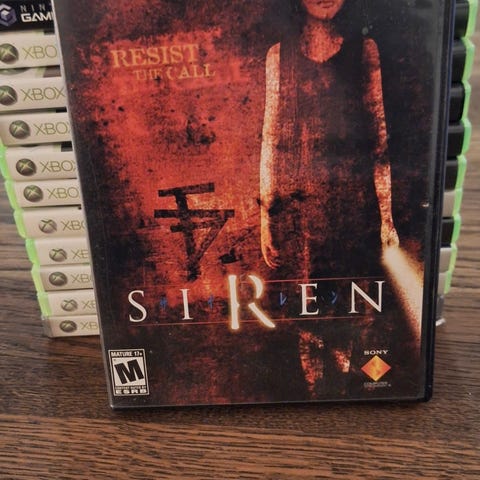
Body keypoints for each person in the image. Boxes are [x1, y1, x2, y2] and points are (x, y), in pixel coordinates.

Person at [259, 0, 399, 397]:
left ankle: (349, 395)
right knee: (309, 312)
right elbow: (270, 138)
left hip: (354, 207)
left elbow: (379, 141)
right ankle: (314, 397)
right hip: (301, 211)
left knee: (355, 308)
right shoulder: (279, 57)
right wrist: (266, 215)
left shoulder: (364, 51)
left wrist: (386, 216)